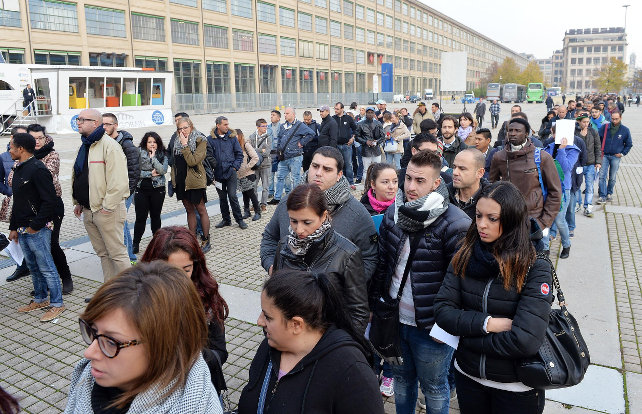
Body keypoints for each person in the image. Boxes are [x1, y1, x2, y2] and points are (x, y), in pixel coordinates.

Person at [434, 181, 553, 414]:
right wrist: (489, 323)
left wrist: (465, 339)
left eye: (492, 218)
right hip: (469, 379)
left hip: (516, 388)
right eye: (478, 216)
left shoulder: (535, 265)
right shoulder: (464, 253)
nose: (481, 225)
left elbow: (525, 339)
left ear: (511, 219)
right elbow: (443, 312)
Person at [369, 150, 470, 413]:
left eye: (420, 181)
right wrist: (376, 306)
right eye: (408, 178)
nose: (411, 187)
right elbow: (383, 266)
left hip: (431, 328)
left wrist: (447, 327)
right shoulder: (395, 213)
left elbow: (461, 285)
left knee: (434, 387)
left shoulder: (455, 224)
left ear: (437, 183)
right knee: (402, 381)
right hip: (395, 320)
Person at [64, 262, 223, 413]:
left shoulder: (197, 406)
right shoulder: (85, 383)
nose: (89, 353)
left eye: (111, 342)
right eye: (92, 331)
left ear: (164, 345)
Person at [237, 269, 384, 414]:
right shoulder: (268, 348)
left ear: (296, 324)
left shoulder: (352, 370)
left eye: (268, 317)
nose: (259, 322)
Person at [261, 146, 378, 283]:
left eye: (327, 169)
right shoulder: (287, 203)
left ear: (339, 175)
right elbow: (270, 237)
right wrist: (272, 267)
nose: (318, 173)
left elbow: (369, 258)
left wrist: (340, 288)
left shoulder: (357, 213)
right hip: (288, 292)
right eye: (315, 166)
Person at [141, 227, 229, 396]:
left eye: (186, 270)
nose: (178, 279)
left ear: (195, 266)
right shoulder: (138, 299)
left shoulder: (207, 298)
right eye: (170, 271)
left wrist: (190, 355)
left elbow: (221, 353)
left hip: (197, 389)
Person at [272, 183, 369, 332]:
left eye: (307, 222)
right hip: (288, 338)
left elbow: (358, 312)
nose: (299, 229)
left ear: (323, 216)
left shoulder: (347, 253)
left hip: (327, 344)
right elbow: (274, 297)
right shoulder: (284, 245)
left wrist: (342, 348)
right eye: (293, 221)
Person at [10, 132, 66, 322]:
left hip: (37, 228)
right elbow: (17, 202)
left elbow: (49, 200)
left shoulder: (37, 169)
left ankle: (57, 304)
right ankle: (40, 298)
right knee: (33, 265)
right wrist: (13, 227)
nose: (8, 150)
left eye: (11, 146)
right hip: (23, 228)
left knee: (46, 266)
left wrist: (36, 225)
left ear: (21, 149)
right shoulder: (19, 168)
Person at [72, 108, 130, 282]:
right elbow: (80, 175)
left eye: (82, 119)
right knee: (103, 254)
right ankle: (109, 292)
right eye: (78, 119)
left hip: (106, 211)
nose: (78, 122)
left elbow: (119, 182)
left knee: (117, 254)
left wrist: (107, 207)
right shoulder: (85, 145)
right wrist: (78, 202)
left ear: (95, 123)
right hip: (88, 210)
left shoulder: (110, 146)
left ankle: (133, 294)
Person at [489, 118, 562, 255]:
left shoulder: (542, 157)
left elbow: (555, 192)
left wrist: (544, 222)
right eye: (510, 130)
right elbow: (491, 188)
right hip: (506, 219)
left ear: (527, 133)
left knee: (534, 261)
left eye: (517, 131)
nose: (513, 133)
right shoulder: (499, 157)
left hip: (533, 219)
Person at [29, 124, 73, 294]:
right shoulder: (23, 155)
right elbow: (13, 179)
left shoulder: (51, 154)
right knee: (38, 247)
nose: (38, 141)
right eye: (33, 138)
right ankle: (46, 282)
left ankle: (66, 278)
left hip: (52, 205)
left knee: (52, 244)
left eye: (40, 137)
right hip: (33, 207)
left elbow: (47, 174)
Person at [103, 113, 141, 264]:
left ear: (115, 125)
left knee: (119, 223)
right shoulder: (103, 142)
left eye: (108, 124)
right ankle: (128, 256)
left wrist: (127, 193)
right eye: (102, 124)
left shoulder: (127, 145)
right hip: (110, 190)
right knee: (120, 223)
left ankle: (127, 258)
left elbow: (134, 171)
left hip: (124, 191)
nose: (104, 127)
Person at [543, 126, 580, 259]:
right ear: (552, 134)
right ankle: (545, 248)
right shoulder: (547, 147)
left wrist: (562, 150)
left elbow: (566, 167)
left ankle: (566, 244)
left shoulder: (573, 150)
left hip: (563, 189)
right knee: (545, 219)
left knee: (559, 220)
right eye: (556, 133)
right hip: (547, 188)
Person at [2, 127, 32, 283]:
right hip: (13, 204)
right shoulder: (4, 157)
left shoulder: (32, 160)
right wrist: (8, 191)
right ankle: (21, 265)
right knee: (16, 238)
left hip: (29, 209)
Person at [268, 108, 315, 205]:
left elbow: (311, 133)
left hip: (295, 157)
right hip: (283, 157)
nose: (285, 115)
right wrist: (279, 151)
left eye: (287, 113)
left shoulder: (300, 125)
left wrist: (302, 142)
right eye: (284, 113)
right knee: (280, 177)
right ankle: (277, 198)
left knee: (295, 178)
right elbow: (280, 138)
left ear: (293, 114)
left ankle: (296, 198)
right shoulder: (282, 126)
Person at [169, 113, 205, 238]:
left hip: (195, 180)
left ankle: (206, 238)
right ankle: (192, 238)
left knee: (201, 210)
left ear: (191, 126)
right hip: (181, 180)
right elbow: (173, 159)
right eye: (180, 128)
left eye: (185, 127)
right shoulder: (176, 139)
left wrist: (185, 145)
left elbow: (192, 161)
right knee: (189, 210)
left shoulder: (200, 139)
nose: (182, 130)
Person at [133, 132, 168, 254]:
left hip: (158, 189)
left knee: (155, 217)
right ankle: (135, 243)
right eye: (149, 142)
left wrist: (153, 158)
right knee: (140, 218)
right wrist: (149, 174)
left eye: (154, 142)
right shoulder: (138, 152)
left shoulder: (162, 153)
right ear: (145, 143)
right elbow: (135, 172)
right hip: (141, 190)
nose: (152, 144)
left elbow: (162, 170)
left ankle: (157, 243)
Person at [597, 111, 632, 204]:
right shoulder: (605, 127)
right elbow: (598, 139)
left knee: (612, 177)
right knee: (601, 176)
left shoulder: (625, 130)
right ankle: (602, 195)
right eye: (612, 119)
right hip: (604, 155)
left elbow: (629, 144)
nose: (614, 121)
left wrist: (622, 153)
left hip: (616, 156)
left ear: (620, 118)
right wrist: (599, 150)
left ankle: (609, 193)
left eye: (616, 119)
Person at [448, 149, 490, 220]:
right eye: (454, 167)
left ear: (480, 173)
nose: (455, 172)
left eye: (462, 169)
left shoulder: (491, 201)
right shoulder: (443, 196)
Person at [575, 114, 601, 218]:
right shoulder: (575, 132)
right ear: (579, 122)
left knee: (589, 186)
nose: (586, 124)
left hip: (590, 164)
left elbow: (598, 147)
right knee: (577, 185)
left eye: (587, 122)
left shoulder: (593, 132)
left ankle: (588, 206)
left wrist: (598, 162)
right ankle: (577, 204)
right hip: (578, 163)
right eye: (584, 122)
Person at [235, 129, 261, 222]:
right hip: (240, 175)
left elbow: (255, 157)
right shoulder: (235, 146)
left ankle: (258, 211)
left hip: (248, 174)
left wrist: (247, 167)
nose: (234, 137)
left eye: (235, 135)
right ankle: (247, 211)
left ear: (240, 135)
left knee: (251, 193)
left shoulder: (246, 145)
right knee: (244, 193)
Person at [355, 107, 385, 180]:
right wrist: (365, 142)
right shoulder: (360, 124)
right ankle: (366, 187)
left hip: (376, 149)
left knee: (377, 169)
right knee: (366, 169)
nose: (370, 114)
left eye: (372, 112)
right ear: (366, 113)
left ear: (374, 114)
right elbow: (357, 137)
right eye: (368, 112)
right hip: (366, 149)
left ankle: (377, 186)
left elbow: (382, 136)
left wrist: (377, 141)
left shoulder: (378, 123)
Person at [248, 119, 271, 210]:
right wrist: (261, 150)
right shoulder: (252, 136)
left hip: (266, 165)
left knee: (265, 186)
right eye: (263, 126)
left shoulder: (268, 137)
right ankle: (254, 204)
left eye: (266, 126)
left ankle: (263, 204)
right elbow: (250, 150)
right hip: (255, 165)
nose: (265, 128)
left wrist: (256, 150)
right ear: (258, 127)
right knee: (254, 186)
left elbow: (267, 152)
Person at [333, 102, 357, 189]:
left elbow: (356, 129)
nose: (335, 110)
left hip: (347, 145)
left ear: (342, 109)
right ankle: (338, 182)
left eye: (337, 109)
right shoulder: (333, 119)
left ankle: (350, 182)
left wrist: (352, 138)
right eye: (335, 109)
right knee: (338, 165)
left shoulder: (348, 118)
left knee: (348, 164)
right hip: (336, 146)